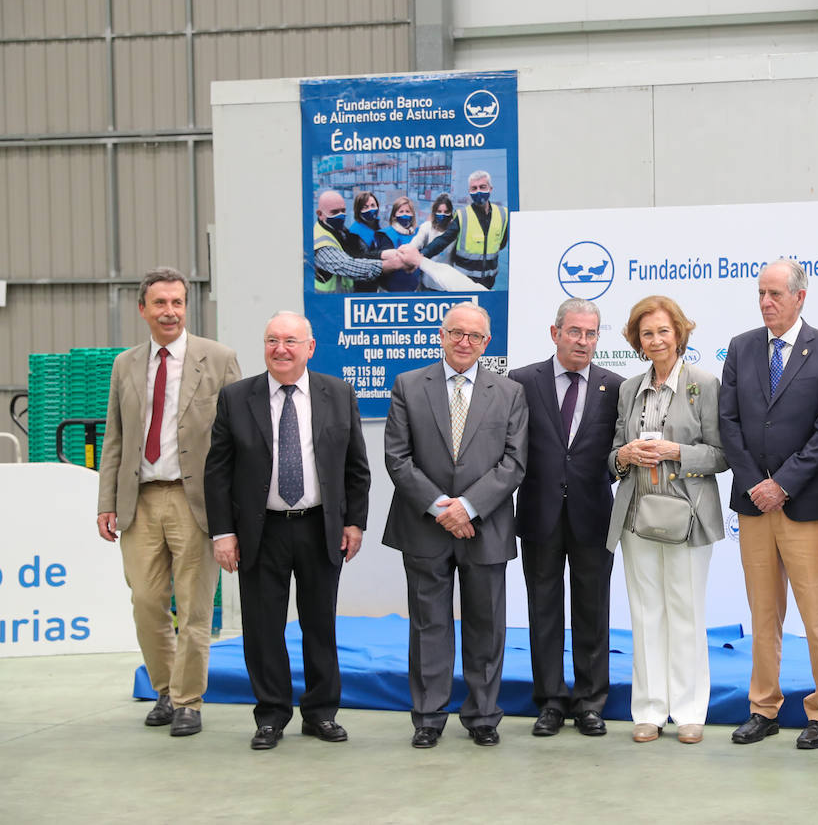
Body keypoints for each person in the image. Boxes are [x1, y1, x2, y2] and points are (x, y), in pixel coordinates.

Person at [203, 311, 370, 750]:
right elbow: (217, 472)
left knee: (320, 625)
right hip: (261, 531)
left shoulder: (338, 393)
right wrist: (223, 533)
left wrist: (354, 522)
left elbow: (356, 467)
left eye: (291, 341)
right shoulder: (236, 398)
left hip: (321, 528)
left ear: (310, 348)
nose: (281, 349)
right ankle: (271, 715)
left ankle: (320, 713)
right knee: (263, 628)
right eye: (272, 340)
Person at [95, 266, 242, 736]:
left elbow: (241, 440)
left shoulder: (218, 359)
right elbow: (114, 438)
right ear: (143, 310)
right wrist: (106, 501)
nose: (170, 311)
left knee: (194, 606)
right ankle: (164, 687)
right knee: (145, 601)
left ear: (187, 307)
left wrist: (232, 512)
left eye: (177, 302)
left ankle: (188, 702)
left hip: (194, 503)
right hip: (139, 503)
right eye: (160, 303)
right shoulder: (125, 365)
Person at [382, 302, 528, 749]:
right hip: (425, 527)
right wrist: (441, 508)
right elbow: (397, 456)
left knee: (487, 624)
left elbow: (514, 462)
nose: (465, 342)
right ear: (440, 335)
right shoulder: (409, 385)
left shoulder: (509, 392)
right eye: (456, 333)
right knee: (429, 626)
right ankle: (428, 716)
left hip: (486, 526)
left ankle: (483, 715)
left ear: (488, 343)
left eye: (475, 336)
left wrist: (468, 507)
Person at [718, 259, 818, 750]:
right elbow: (728, 421)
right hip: (754, 506)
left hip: (805, 505)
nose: (766, 302)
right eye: (761, 293)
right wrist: (756, 483)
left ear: (800, 297)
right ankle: (763, 707)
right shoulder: (741, 347)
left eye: (775, 293)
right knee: (763, 612)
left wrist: (784, 484)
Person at [607, 296, 726, 745]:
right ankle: (650, 710)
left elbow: (722, 455)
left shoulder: (704, 384)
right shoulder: (628, 388)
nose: (655, 340)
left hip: (688, 517)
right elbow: (613, 454)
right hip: (637, 515)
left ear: (679, 333)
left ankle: (691, 710)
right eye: (646, 333)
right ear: (637, 340)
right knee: (645, 612)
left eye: (663, 331)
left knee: (686, 612)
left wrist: (677, 452)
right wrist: (624, 454)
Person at [510, 299, 624, 738]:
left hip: (594, 515)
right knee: (544, 611)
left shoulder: (615, 386)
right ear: (554, 332)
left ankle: (591, 702)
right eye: (574, 331)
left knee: (594, 610)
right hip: (539, 513)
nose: (583, 341)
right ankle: (551, 701)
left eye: (591, 333)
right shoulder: (521, 382)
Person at [421, 170, 509, 289]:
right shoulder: (463, 215)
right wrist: (421, 255)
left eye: (482, 187)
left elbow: (502, 243)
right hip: (464, 281)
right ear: (469, 192)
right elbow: (443, 240)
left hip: (489, 281)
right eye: (474, 188)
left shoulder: (503, 214)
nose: (478, 191)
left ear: (490, 189)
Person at [312, 190, 407, 293]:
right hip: (330, 301)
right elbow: (348, 265)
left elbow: (358, 255)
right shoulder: (322, 242)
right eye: (335, 212)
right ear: (320, 214)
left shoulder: (339, 230)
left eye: (343, 211)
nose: (340, 215)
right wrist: (389, 264)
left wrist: (382, 254)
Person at [380, 196, 422, 292]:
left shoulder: (418, 233)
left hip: (413, 289)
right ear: (394, 215)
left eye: (407, 211)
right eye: (401, 211)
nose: (404, 214)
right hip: (390, 290)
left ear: (413, 215)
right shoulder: (386, 234)